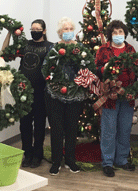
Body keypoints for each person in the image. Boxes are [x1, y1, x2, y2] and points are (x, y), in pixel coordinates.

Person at [95, 20, 137, 177]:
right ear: (110, 34)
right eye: (114, 32)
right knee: (108, 130)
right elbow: (96, 69)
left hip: (127, 96)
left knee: (125, 129)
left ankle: (122, 160)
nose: (118, 35)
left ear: (125, 33)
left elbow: (137, 69)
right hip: (109, 98)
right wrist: (103, 69)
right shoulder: (103, 50)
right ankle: (107, 162)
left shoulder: (130, 49)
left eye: (120, 32)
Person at [43, 17, 82, 175]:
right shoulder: (53, 49)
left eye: (70, 28)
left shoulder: (80, 48)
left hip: (75, 94)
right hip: (55, 95)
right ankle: (56, 161)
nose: (68, 31)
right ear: (60, 32)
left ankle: (70, 160)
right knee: (57, 129)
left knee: (72, 128)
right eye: (65, 29)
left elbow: (87, 67)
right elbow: (46, 68)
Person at [15, 20, 53, 168]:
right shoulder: (25, 44)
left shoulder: (50, 47)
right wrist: (8, 32)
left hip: (41, 92)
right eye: (32, 28)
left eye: (37, 29)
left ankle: (38, 154)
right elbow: (7, 52)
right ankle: (27, 154)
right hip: (24, 91)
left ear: (43, 31)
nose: (34, 31)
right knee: (24, 125)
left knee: (39, 124)